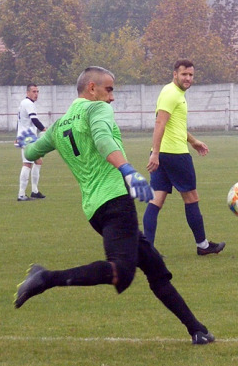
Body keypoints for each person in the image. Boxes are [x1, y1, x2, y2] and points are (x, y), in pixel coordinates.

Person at [13, 66, 215, 345]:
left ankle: (197, 329)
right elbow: (103, 139)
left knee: (155, 268)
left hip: (94, 210)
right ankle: (45, 278)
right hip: (115, 201)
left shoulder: (60, 125)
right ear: (92, 88)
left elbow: (33, 151)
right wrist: (129, 171)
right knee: (121, 273)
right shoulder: (96, 110)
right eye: (109, 90)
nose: (112, 98)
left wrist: (27, 140)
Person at [144, 59, 224, 256]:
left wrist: (193, 141)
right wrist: (155, 152)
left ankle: (146, 250)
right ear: (175, 74)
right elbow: (160, 123)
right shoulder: (172, 94)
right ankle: (203, 245)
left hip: (164, 153)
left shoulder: (172, 92)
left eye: (191, 75)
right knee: (191, 198)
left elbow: (174, 126)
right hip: (174, 155)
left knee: (156, 200)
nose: (188, 78)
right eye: (184, 74)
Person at [17, 83, 47, 201]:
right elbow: (34, 119)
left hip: (27, 136)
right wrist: (44, 129)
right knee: (27, 163)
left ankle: (34, 191)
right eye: (34, 91)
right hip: (26, 137)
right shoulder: (28, 103)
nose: (36, 94)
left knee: (38, 161)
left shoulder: (25, 103)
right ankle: (21, 194)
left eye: (37, 91)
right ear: (27, 92)